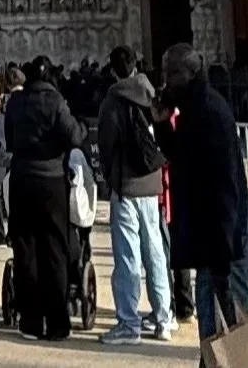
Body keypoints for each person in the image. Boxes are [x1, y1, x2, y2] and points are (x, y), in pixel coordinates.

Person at [160, 44, 248, 342]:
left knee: (230, 340)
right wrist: (162, 125)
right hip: (210, 247)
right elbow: (182, 159)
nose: (165, 81)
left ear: (191, 73)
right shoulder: (193, 109)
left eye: (171, 74)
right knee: (213, 341)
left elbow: (226, 188)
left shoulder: (210, 112)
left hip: (223, 251)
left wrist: (223, 260)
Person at [94, 45, 173, 346]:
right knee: (154, 250)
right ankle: (163, 318)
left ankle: (129, 322)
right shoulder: (152, 94)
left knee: (128, 255)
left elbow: (106, 144)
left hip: (126, 186)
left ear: (114, 70)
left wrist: (112, 177)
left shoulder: (114, 101)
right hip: (151, 184)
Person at [2, 55, 84, 343]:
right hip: (51, 181)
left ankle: (31, 320)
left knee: (25, 248)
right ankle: (58, 321)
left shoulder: (16, 103)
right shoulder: (56, 102)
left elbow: (9, 140)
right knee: (54, 248)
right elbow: (74, 137)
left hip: (23, 178)